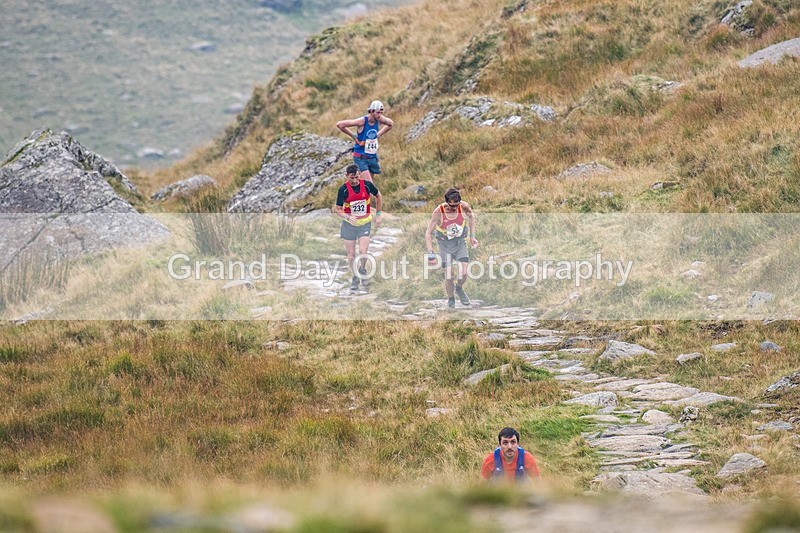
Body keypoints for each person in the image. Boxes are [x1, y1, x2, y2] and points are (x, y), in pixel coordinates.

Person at [424, 188, 478, 308]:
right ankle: (451, 298)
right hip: (445, 245)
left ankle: (459, 288)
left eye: (456, 205)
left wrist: (472, 236)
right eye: (451, 206)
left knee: (464, 273)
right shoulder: (439, 211)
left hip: (459, 242)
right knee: (449, 276)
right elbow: (428, 233)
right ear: (446, 202)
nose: (453, 208)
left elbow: (471, 216)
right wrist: (431, 253)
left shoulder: (464, 206)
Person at [334, 164, 382, 291]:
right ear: (346, 176)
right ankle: (355, 276)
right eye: (351, 178)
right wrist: (348, 217)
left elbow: (378, 195)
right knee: (351, 255)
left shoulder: (367, 185)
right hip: (349, 225)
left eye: (356, 177)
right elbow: (338, 209)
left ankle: (362, 270)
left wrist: (378, 214)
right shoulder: (343, 189)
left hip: (364, 223)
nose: (355, 180)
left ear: (359, 174)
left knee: (363, 252)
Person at [335, 100, 394, 183]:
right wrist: (353, 136)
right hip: (361, 157)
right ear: (371, 111)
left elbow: (390, 124)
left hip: (372, 156)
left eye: (381, 112)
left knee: (368, 186)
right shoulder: (362, 121)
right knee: (369, 184)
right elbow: (340, 124)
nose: (379, 115)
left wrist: (379, 134)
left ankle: (362, 191)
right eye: (378, 112)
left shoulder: (379, 119)